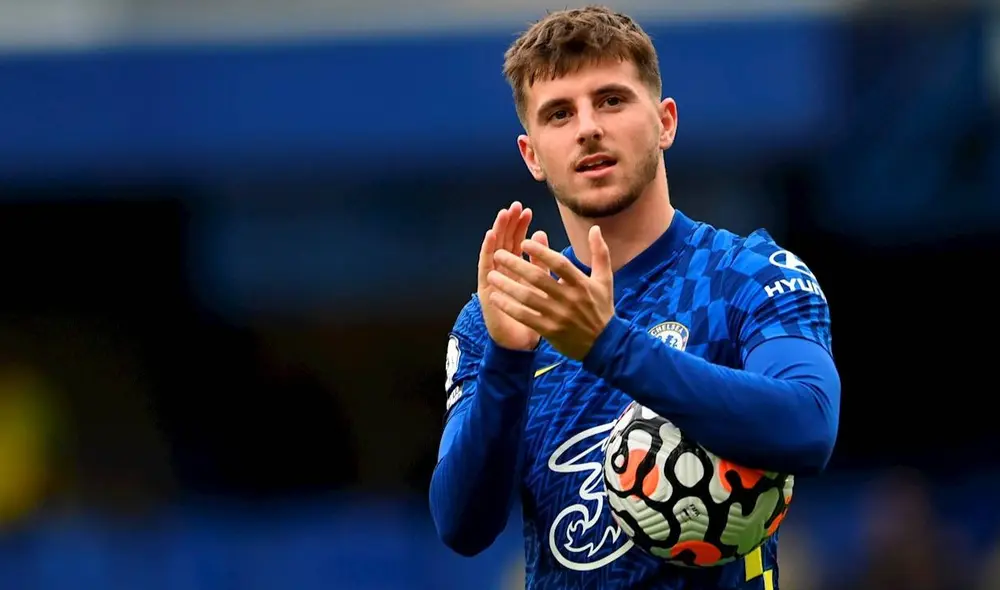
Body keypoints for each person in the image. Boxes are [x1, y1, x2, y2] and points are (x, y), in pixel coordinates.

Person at [429, 5, 841, 589]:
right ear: (532, 156)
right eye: (559, 113)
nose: (588, 128)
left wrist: (606, 345)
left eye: (612, 100)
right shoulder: (499, 316)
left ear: (666, 122)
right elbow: (462, 525)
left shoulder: (746, 274)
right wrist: (507, 360)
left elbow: (809, 425)